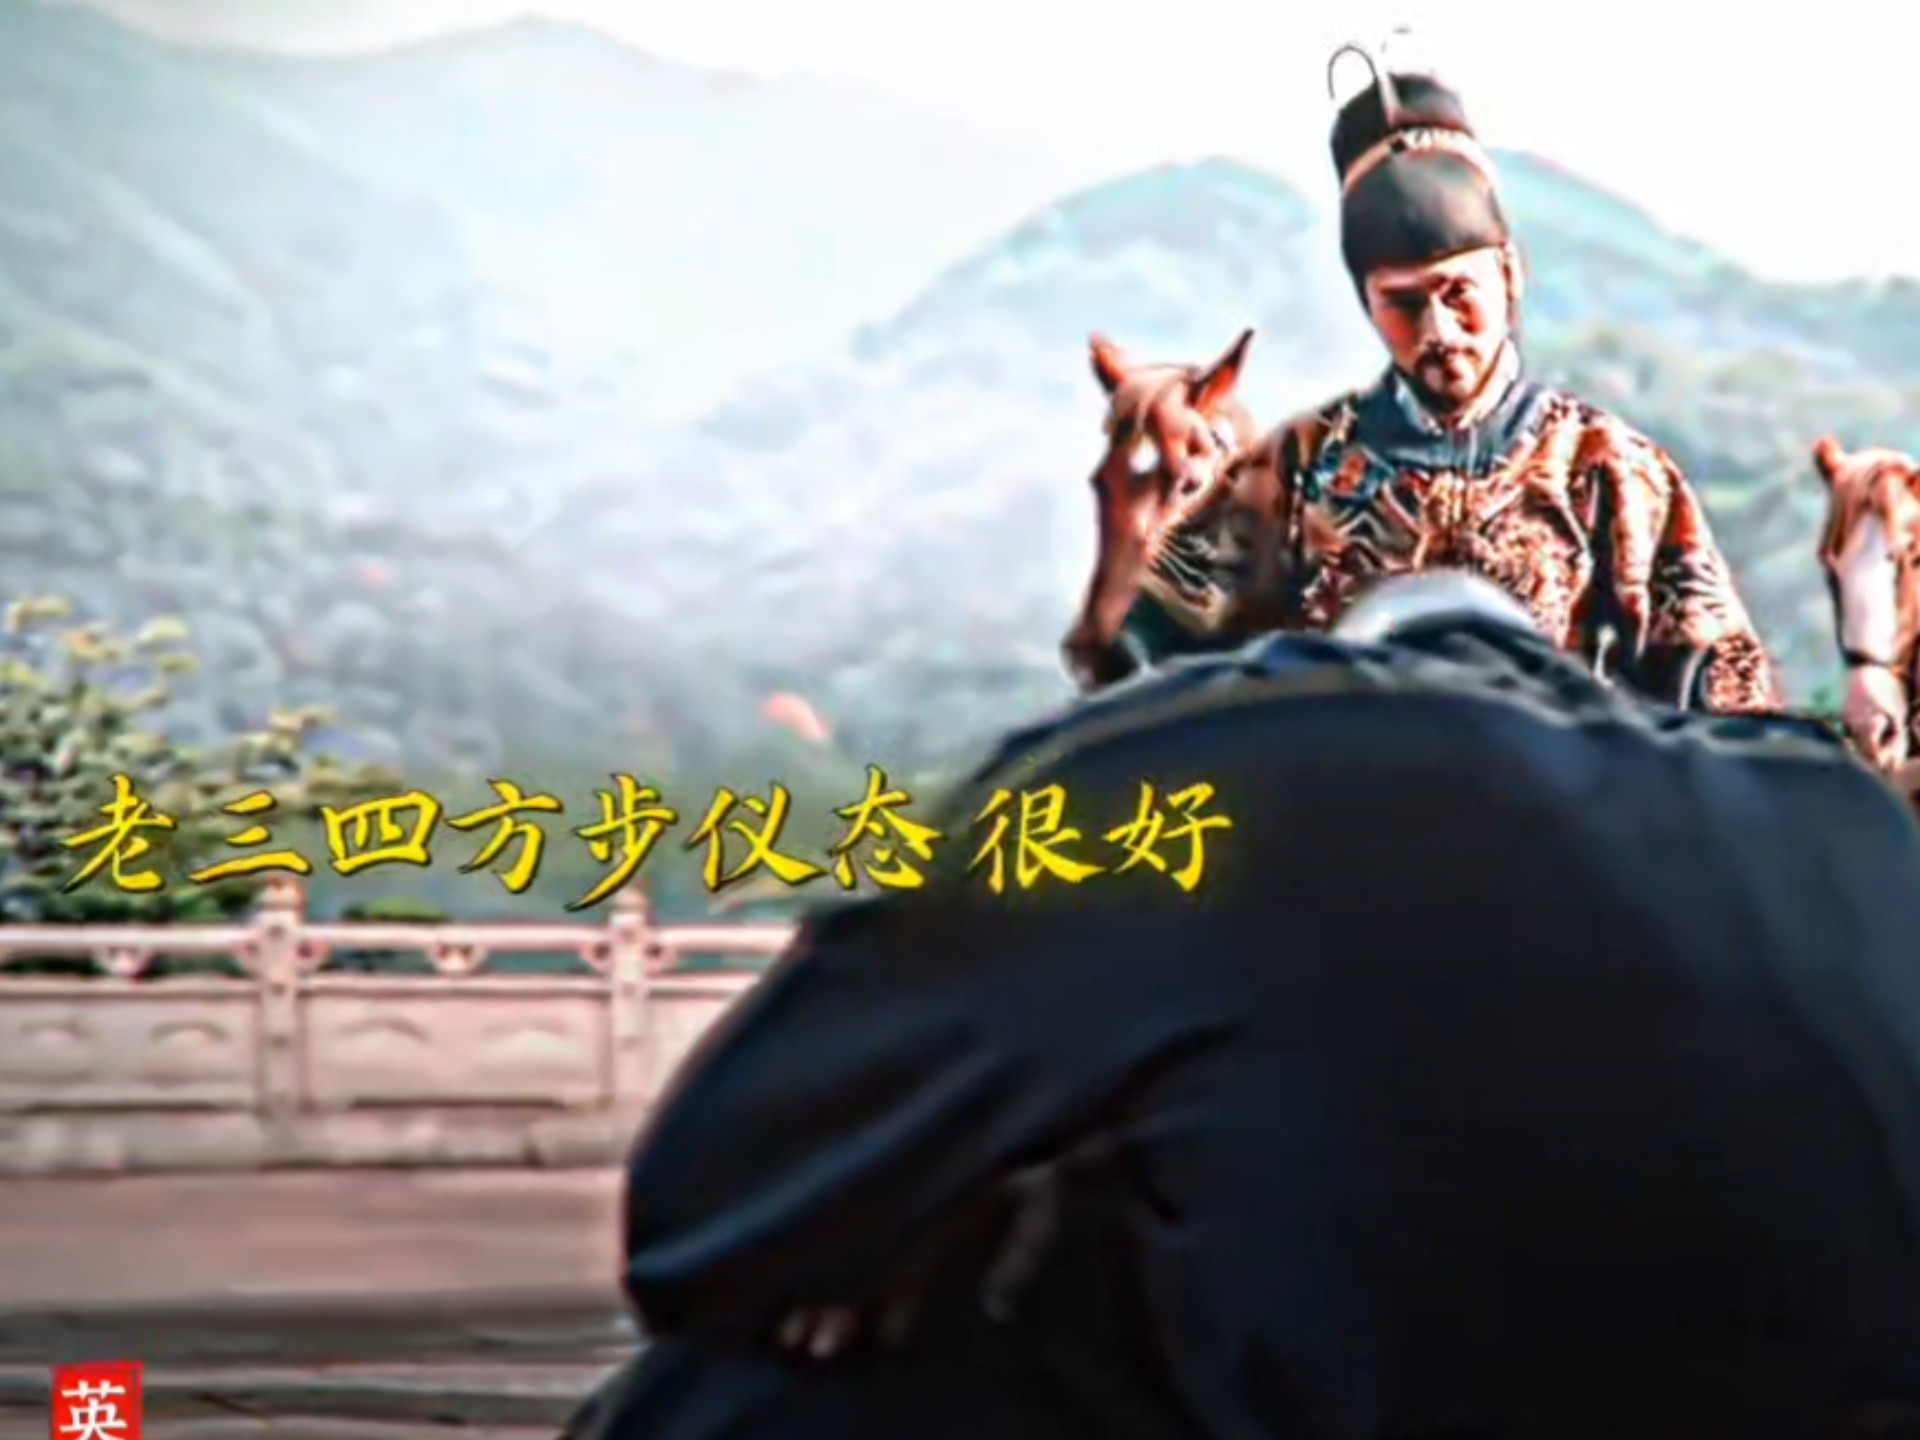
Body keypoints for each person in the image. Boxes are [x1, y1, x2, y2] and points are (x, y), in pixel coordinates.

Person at [568, 572, 1920, 1440]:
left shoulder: (1209, 760)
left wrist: (982, 1216)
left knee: (718, 1399)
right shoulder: (1839, 819)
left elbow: (704, 1215)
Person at [1101, 54, 1782, 716]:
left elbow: (1726, 705)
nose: (1439, 331)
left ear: (1509, 274)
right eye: (1402, 302)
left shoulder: (1611, 470)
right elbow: (1147, 660)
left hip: (1549, 789)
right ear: (1367, 303)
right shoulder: (1296, 468)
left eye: (1459, 292)